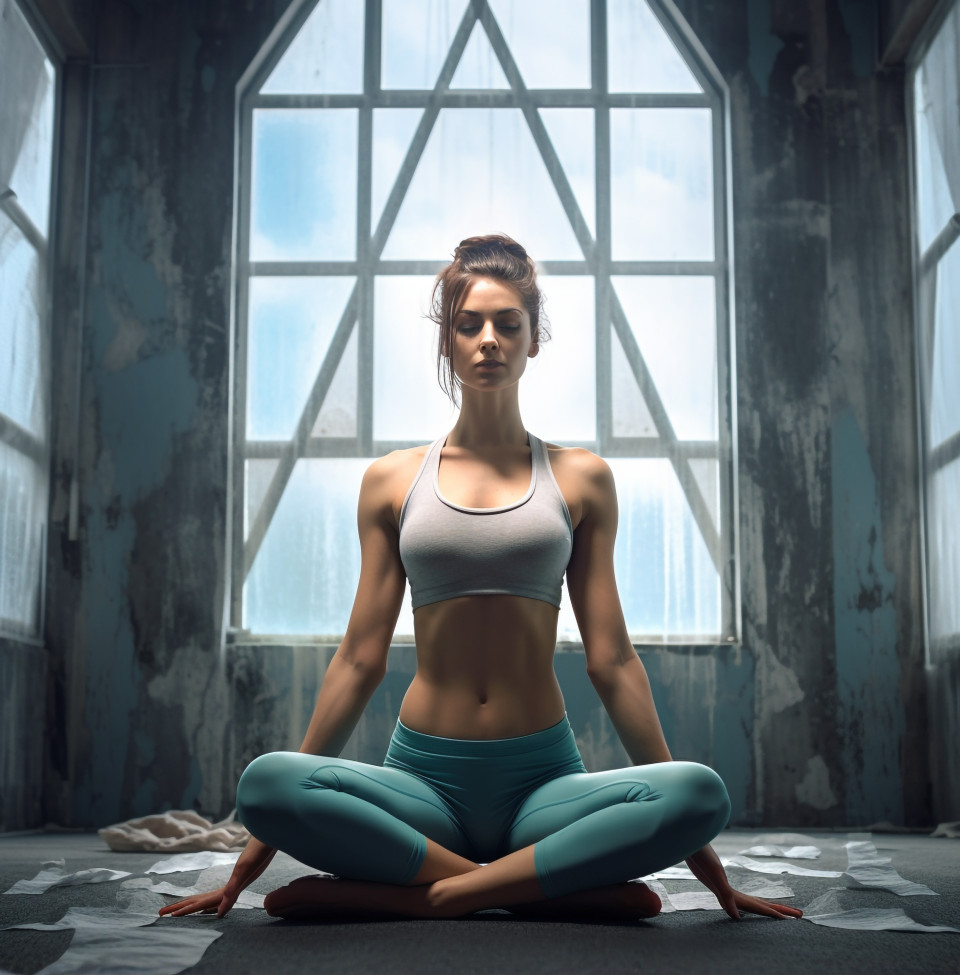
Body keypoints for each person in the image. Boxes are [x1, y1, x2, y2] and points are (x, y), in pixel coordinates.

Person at [160, 234, 802, 924]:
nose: (489, 340)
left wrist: (704, 860)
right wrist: (255, 850)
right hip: (421, 786)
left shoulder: (582, 478)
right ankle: (530, 886)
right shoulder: (393, 480)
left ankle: (435, 895)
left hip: (542, 786)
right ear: (447, 342)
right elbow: (358, 658)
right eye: (468, 324)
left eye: (508, 324)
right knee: (264, 785)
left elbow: (612, 660)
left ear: (533, 340)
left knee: (700, 794)